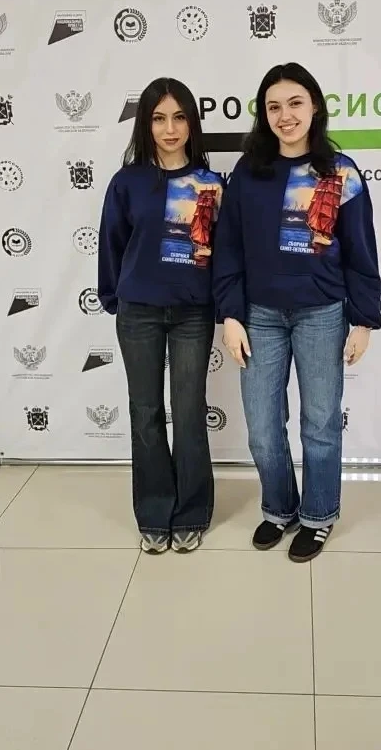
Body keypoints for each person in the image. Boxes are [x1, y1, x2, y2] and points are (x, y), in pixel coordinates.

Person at [213, 62, 381, 563]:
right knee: (263, 428)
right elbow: (228, 248)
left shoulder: (341, 172)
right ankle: (279, 508)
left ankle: (318, 515)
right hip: (259, 316)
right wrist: (231, 314)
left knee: (320, 425)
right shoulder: (249, 172)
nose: (284, 116)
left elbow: (361, 250)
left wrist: (364, 319)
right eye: (273, 107)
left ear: (314, 107)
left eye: (294, 103)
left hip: (322, 314)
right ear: (263, 115)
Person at [98, 78, 224, 555]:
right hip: (139, 313)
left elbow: (223, 253)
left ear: (192, 123)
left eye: (179, 117)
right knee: (146, 412)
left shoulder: (211, 184)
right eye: (158, 118)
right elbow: (111, 244)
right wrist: (114, 297)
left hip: (193, 313)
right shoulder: (126, 182)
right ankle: (154, 511)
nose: (170, 129)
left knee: (189, 413)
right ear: (145, 124)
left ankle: (191, 511)